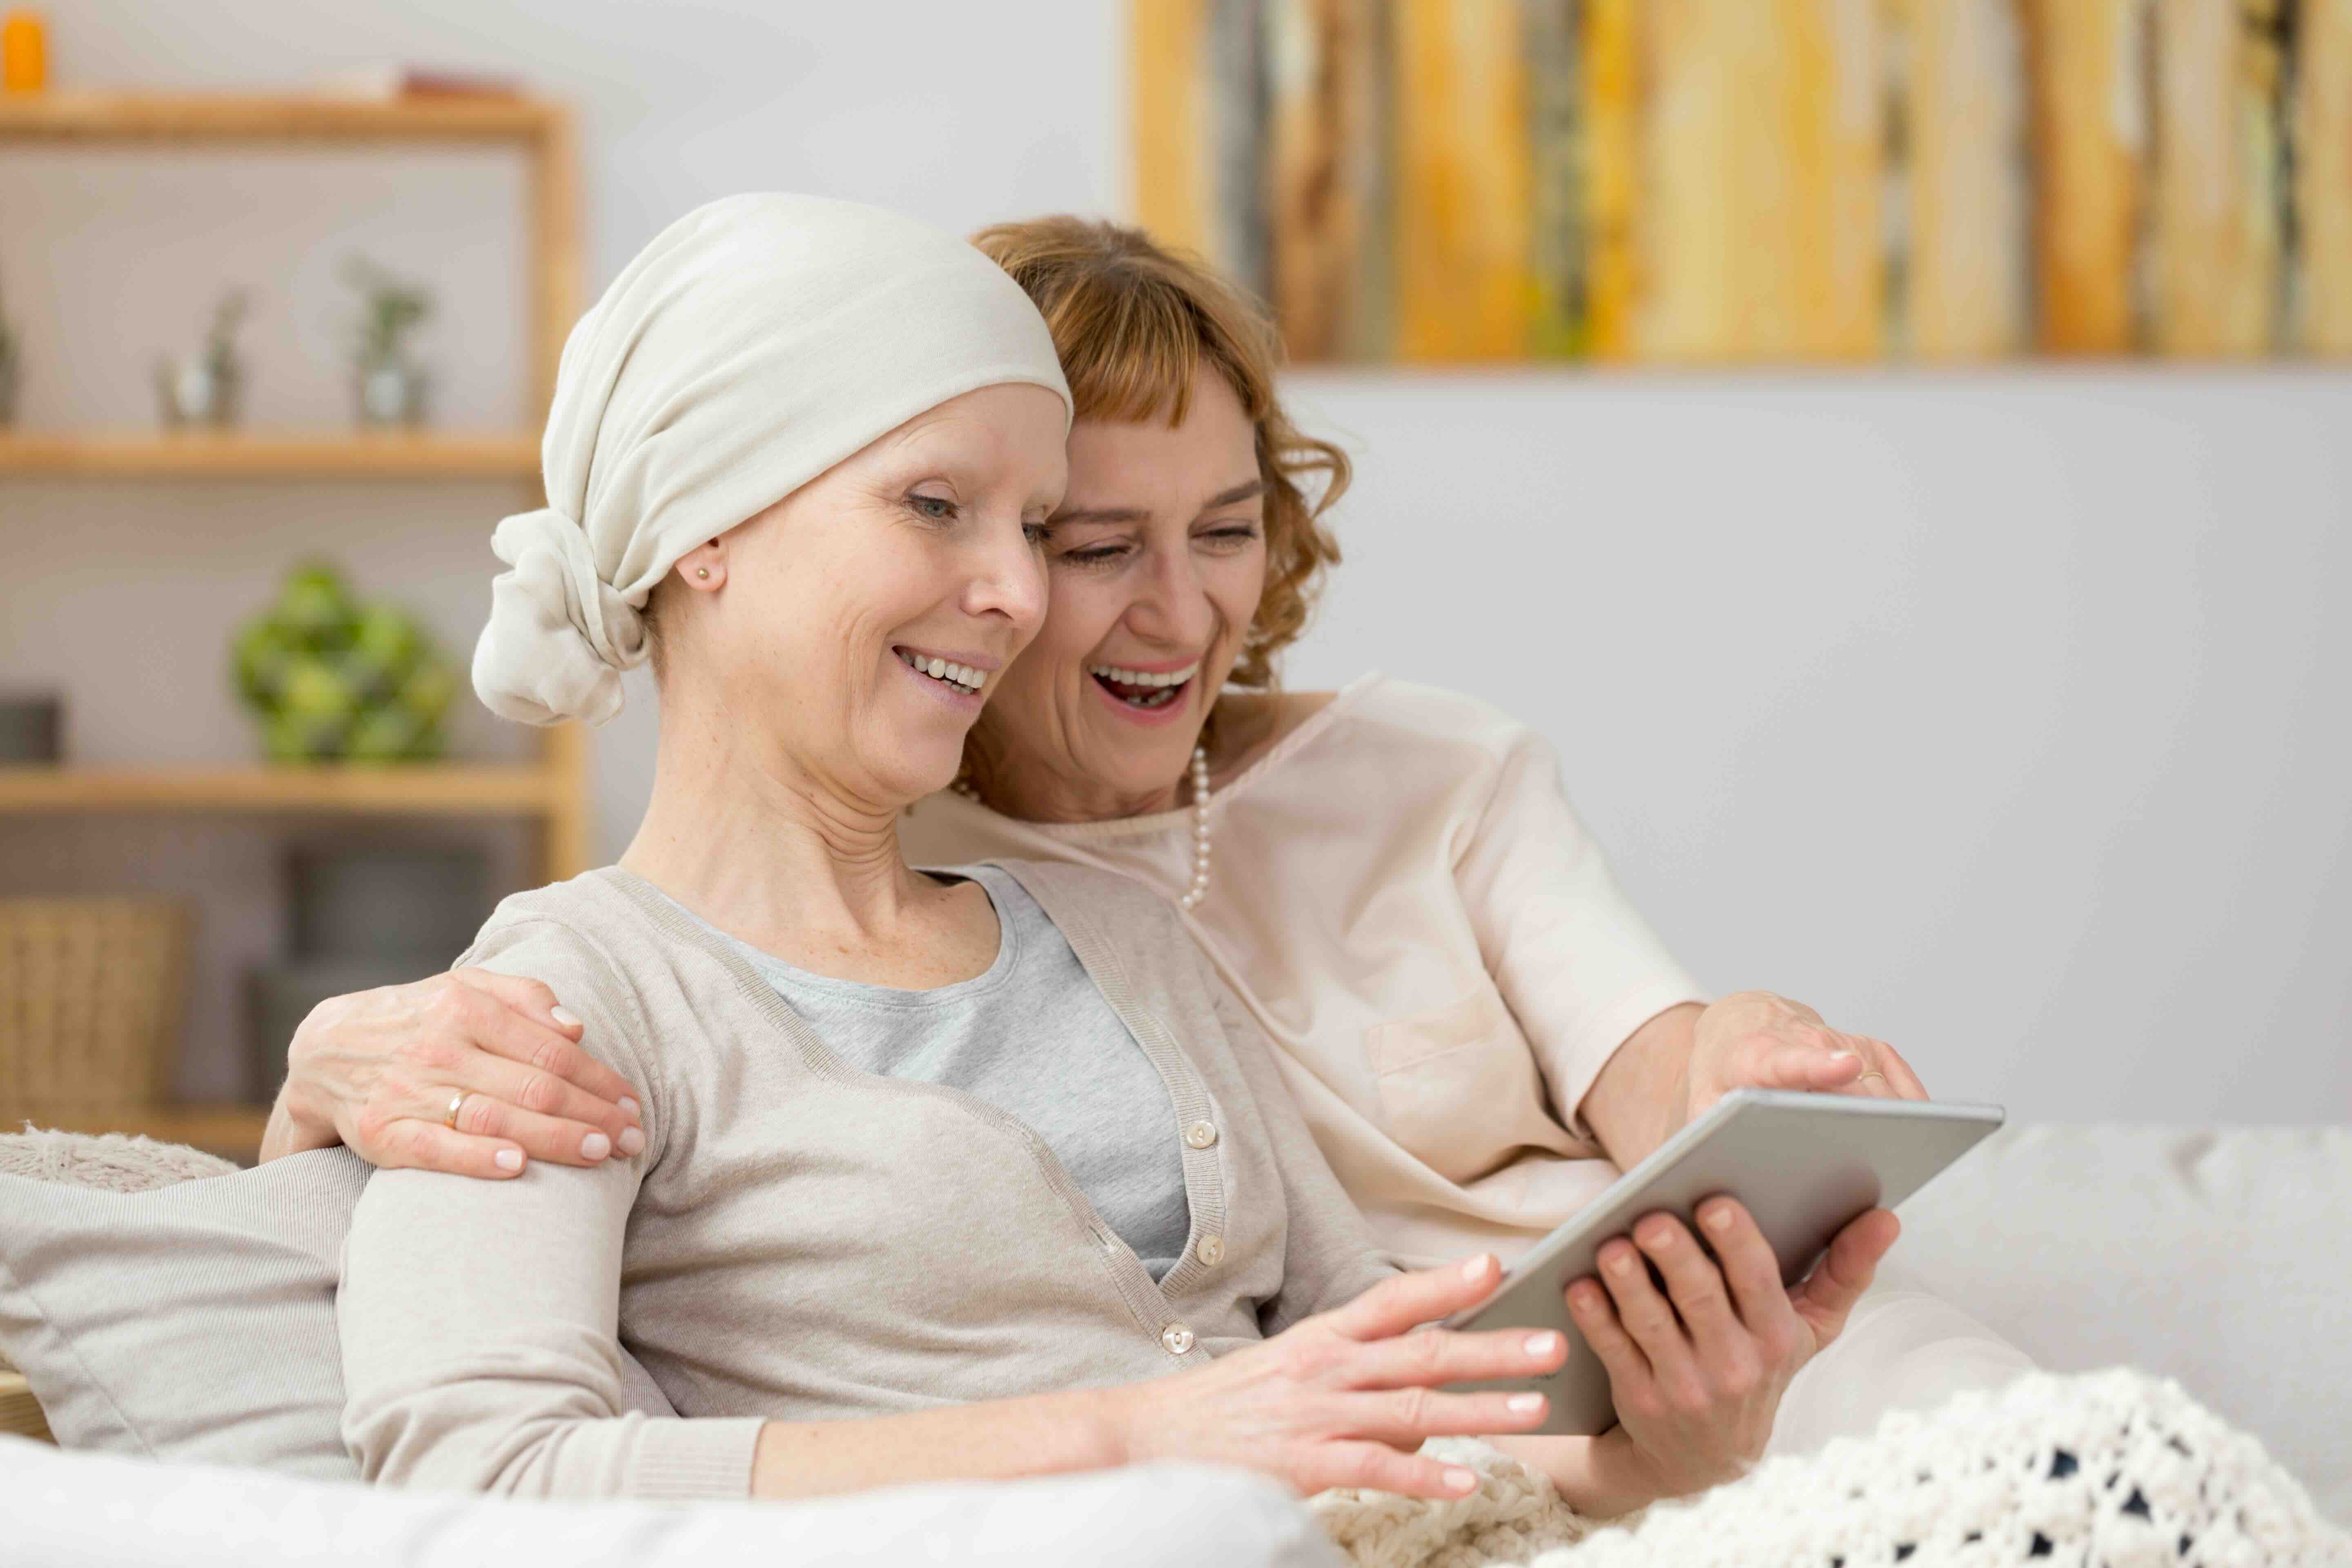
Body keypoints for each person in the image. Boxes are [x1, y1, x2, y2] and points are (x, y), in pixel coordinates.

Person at [334, 192, 1898, 1513]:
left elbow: (1377, 1368)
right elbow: (479, 1470)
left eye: (1030, 529)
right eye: (940, 507)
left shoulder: (1111, 932)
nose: (1014, 594)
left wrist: (1657, 1457)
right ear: (704, 527)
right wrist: (1131, 1440)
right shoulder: (556, 1010)